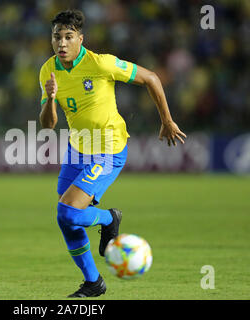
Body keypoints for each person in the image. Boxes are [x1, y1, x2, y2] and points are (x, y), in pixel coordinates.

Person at [39, 9, 186, 298]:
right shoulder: (48, 70)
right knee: (65, 218)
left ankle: (108, 219)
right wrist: (51, 99)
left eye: (69, 37)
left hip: (108, 150)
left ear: (81, 38)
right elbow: (48, 124)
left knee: (68, 211)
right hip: (77, 149)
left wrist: (167, 120)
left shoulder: (102, 64)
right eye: (57, 37)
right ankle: (93, 282)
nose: (62, 43)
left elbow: (152, 78)